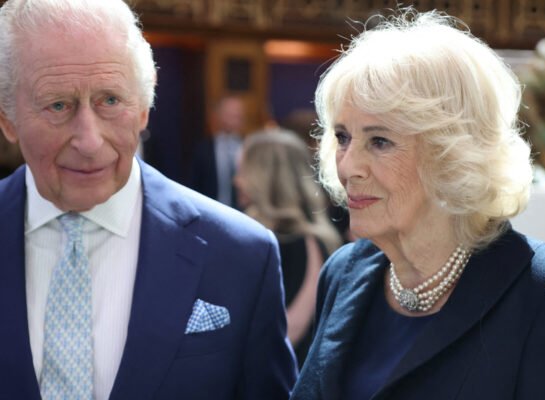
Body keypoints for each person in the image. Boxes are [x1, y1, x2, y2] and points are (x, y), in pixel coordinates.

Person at [290, 8, 545, 400]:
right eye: (343, 137)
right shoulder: (343, 272)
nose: (348, 166)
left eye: (379, 141)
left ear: (452, 155)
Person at [0, 1, 296, 399]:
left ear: (143, 108)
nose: (89, 141)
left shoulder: (240, 254)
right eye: (58, 105)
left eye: (110, 101)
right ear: (7, 119)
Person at [233, 128, 342, 366]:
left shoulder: (286, 241)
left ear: (266, 176)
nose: (236, 181)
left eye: (242, 171)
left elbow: (291, 329)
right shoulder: (318, 236)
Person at [191, 95, 245, 208]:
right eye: (229, 114)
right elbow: (194, 185)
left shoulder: (247, 148)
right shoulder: (204, 149)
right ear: (219, 115)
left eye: (237, 115)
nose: (233, 119)